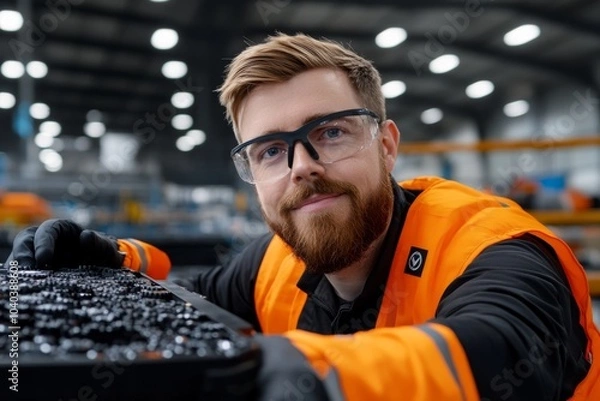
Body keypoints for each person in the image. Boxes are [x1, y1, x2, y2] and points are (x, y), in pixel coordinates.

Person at [5, 33, 600, 401]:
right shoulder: (277, 262)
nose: (301, 166)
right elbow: (195, 296)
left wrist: (275, 375)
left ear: (388, 146)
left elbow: (506, 353)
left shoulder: (491, 246)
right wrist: (117, 258)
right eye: (269, 150)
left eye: (331, 132)